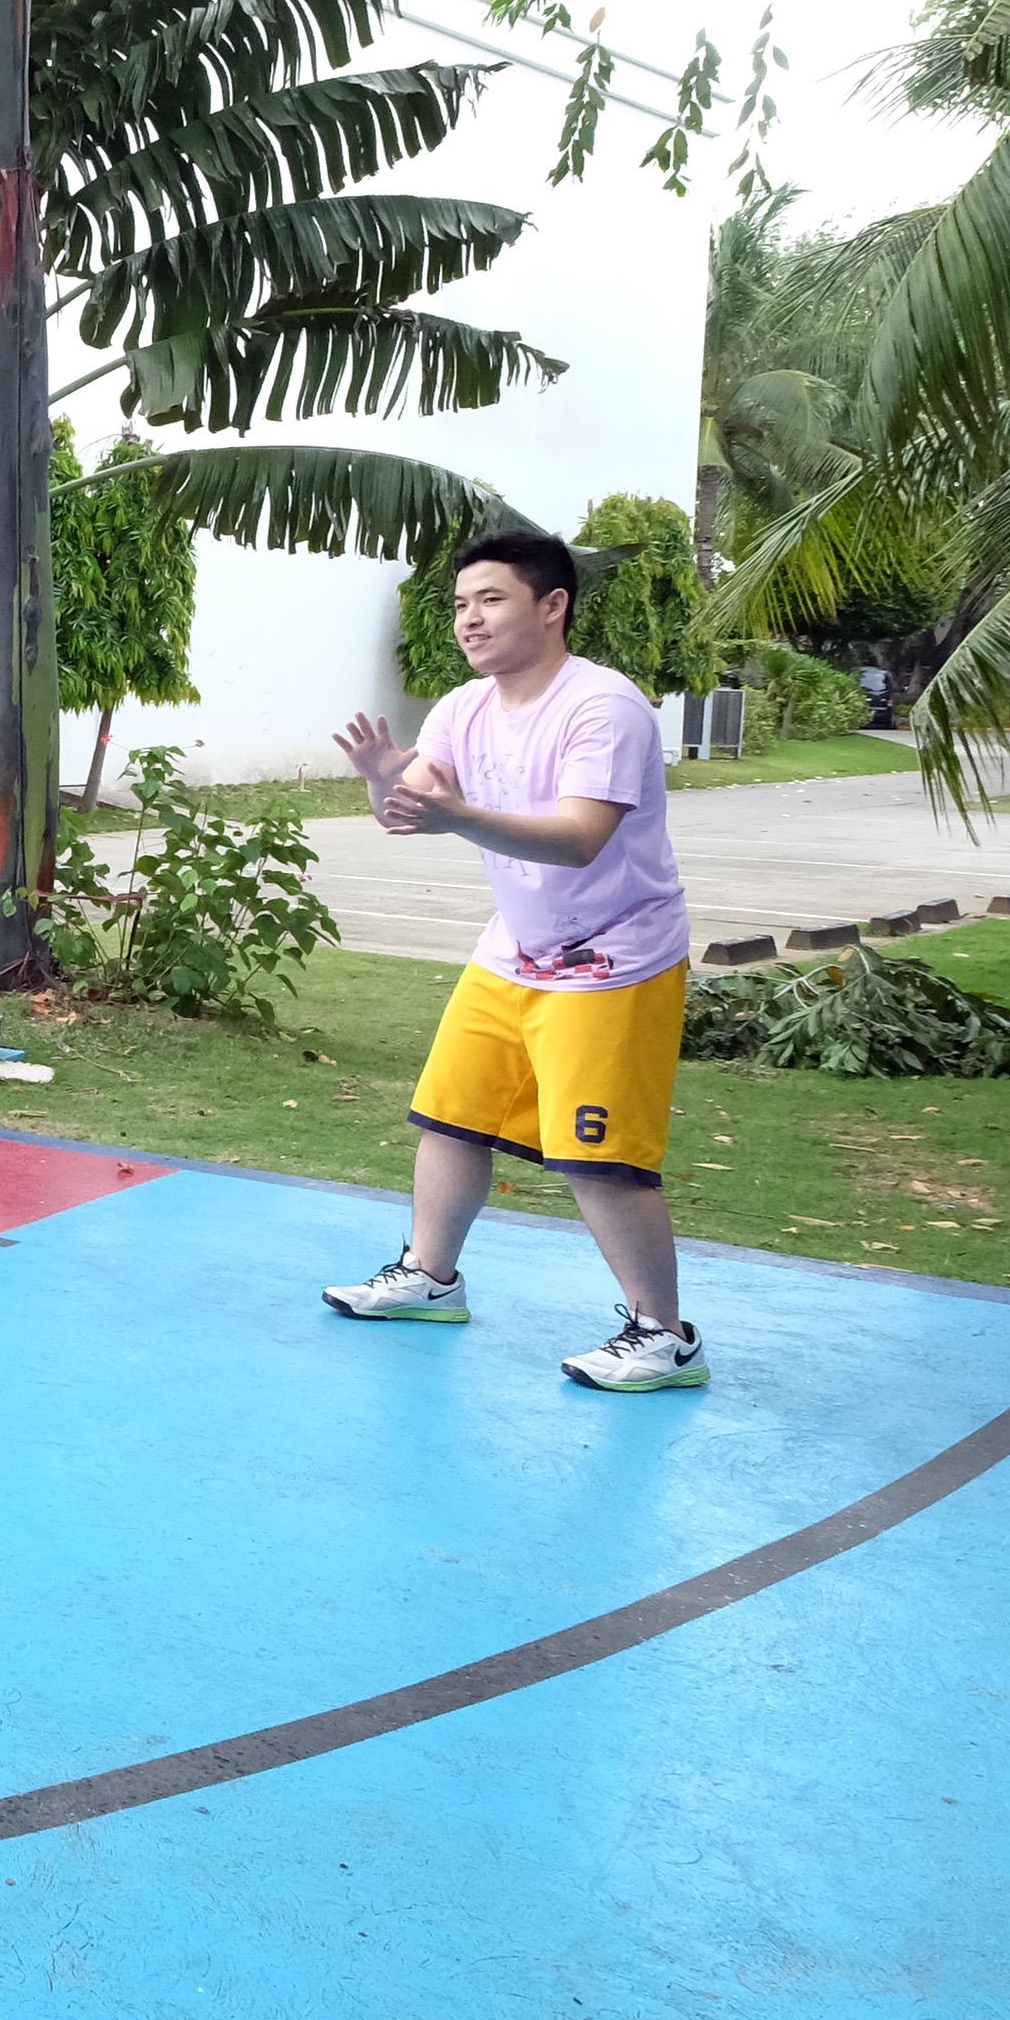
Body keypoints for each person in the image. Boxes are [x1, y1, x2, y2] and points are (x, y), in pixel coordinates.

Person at [321, 525, 708, 1392]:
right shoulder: (464, 708)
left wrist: (451, 812)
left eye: (490, 599)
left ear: (553, 605)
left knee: (599, 1160)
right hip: (515, 951)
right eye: (460, 604)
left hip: (617, 958)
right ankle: (431, 1278)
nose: (469, 620)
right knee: (451, 1116)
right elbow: (409, 816)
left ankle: (666, 1336)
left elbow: (578, 840)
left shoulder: (603, 707)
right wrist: (387, 779)